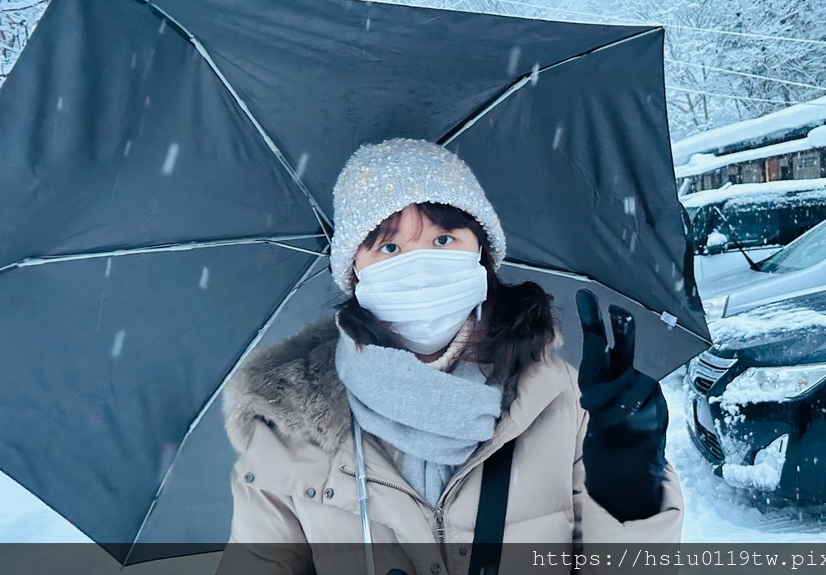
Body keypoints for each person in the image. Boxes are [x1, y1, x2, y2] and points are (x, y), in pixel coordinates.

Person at [218, 138, 682, 575]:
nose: (419, 269)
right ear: (354, 272)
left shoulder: (561, 404)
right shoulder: (287, 435)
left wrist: (627, 484)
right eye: (390, 247)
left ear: (481, 253)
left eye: (443, 240)